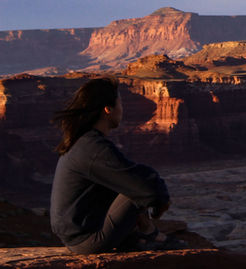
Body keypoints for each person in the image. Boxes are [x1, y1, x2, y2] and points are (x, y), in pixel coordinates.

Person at [50, 77, 180, 253]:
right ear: (107, 110)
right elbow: (146, 186)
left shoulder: (84, 141)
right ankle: (150, 235)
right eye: (120, 103)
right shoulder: (93, 148)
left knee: (126, 180)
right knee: (135, 186)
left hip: (79, 234)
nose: (122, 109)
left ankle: (143, 234)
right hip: (87, 241)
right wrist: (160, 199)